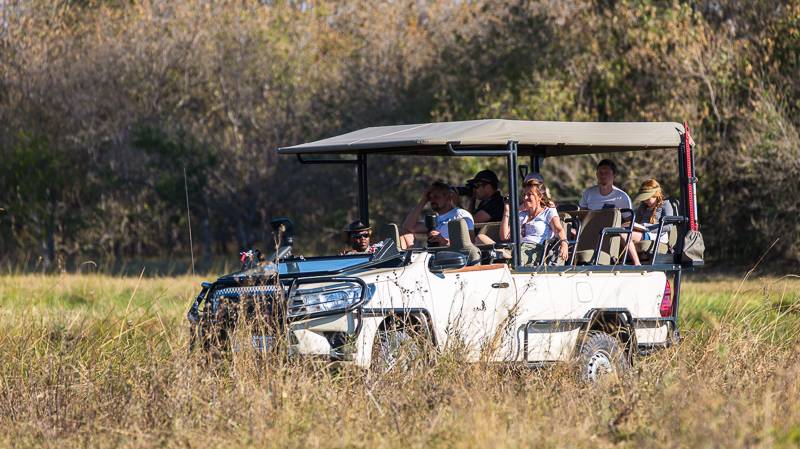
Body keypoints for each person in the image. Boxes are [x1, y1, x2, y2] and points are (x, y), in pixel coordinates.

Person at [475, 178, 568, 265]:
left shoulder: (548, 211)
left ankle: (503, 256)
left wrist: (564, 243)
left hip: (534, 250)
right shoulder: (522, 214)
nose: (525, 197)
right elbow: (504, 236)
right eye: (524, 195)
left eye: (529, 194)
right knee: (480, 237)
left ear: (539, 196)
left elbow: (558, 229)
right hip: (515, 248)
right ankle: (502, 255)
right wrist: (507, 210)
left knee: (506, 257)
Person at [401, 180, 475, 247]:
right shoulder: (434, 220)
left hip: (455, 258)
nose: (432, 200)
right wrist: (423, 200)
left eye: (436, 196)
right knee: (405, 236)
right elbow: (408, 227)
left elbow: (471, 242)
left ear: (448, 197)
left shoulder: (461, 215)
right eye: (430, 197)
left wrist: (444, 241)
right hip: (433, 256)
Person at [625, 179, 675, 264]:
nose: (645, 201)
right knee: (621, 231)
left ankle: (636, 264)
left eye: (647, 198)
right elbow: (635, 221)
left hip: (657, 235)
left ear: (656, 194)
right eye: (644, 199)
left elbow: (668, 226)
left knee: (626, 235)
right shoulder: (643, 206)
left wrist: (646, 227)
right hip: (644, 232)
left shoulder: (665, 205)